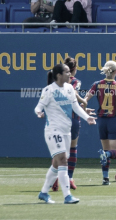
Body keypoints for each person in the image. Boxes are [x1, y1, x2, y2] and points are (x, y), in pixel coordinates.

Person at [35, 64, 96, 204]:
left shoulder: (69, 88)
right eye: (67, 72)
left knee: (57, 164)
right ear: (58, 75)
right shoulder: (49, 90)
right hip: (53, 130)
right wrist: (39, 113)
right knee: (63, 159)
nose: (70, 74)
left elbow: (75, 106)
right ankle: (67, 196)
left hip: (66, 131)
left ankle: (44, 193)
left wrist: (87, 118)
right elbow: (38, 107)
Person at [52, 57, 92, 191]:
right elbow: (73, 94)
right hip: (71, 119)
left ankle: (57, 178)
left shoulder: (55, 81)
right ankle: (69, 178)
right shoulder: (75, 81)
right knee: (73, 148)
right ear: (74, 69)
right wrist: (84, 102)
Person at [84, 61, 116, 185]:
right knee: (115, 153)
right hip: (113, 120)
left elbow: (86, 98)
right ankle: (106, 154)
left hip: (101, 121)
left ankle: (105, 178)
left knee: (106, 151)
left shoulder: (97, 84)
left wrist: (83, 108)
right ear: (115, 71)